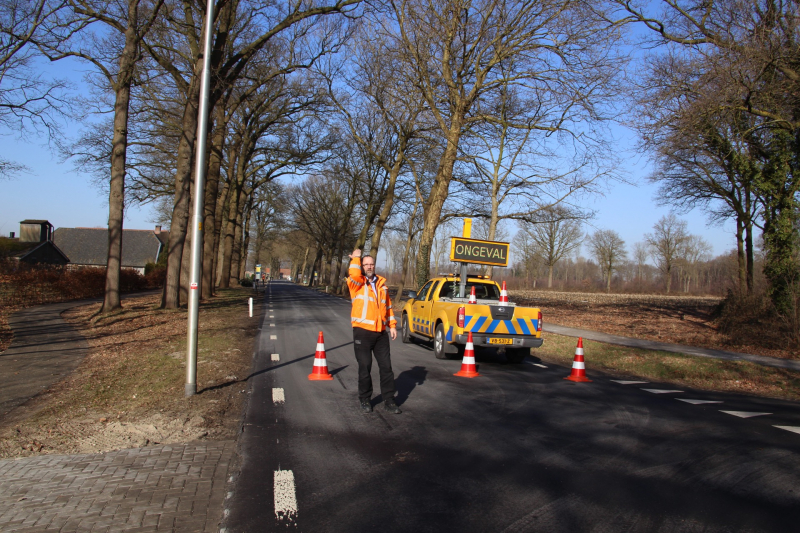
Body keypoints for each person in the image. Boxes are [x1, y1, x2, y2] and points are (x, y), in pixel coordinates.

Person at [346, 248, 401, 414]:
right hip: (362, 332)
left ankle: (389, 401)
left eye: (371, 264)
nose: (369, 267)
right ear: (362, 266)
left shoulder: (382, 286)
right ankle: (365, 399)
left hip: (380, 333)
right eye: (366, 264)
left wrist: (392, 326)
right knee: (365, 367)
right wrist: (355, 258)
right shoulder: (356, 283)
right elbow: (354, 274)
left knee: (386, 368)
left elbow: (389, 309)